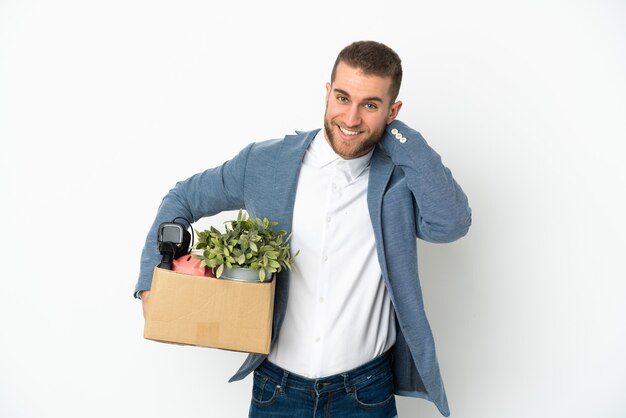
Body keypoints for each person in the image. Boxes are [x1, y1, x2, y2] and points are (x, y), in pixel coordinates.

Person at [135, 40, 471, 417]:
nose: (351, 118)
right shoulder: (264, 163)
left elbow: (451, 224)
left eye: (370, 105)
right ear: (327, 93)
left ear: (393, 111)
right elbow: (183, 198)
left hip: (366, 393)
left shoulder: (399, 180)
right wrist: (152, 277)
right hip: (276, 391)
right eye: (343, 98)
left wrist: (402, 138)